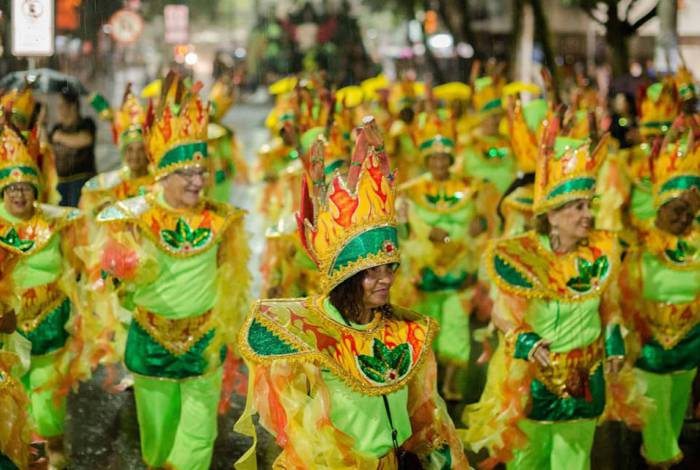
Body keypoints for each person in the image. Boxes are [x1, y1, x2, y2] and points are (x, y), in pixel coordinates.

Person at [234, 117, 468, 469]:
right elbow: (295, 422)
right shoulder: (313, 334)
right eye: (370, 272)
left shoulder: (405, 329)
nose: (385, 280)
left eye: (389, 268)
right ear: (346, 278)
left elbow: (422, 410)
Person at [92, 73, 250, 470]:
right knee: (158, 441)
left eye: (202, 172)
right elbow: (107, 277)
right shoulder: (131, 218)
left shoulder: (223, 220)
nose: (198, 182)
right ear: (163, 175)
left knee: (198, 437)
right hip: (151, 341)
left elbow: (232, 280)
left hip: (205, 341)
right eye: (188, 174)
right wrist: (118, 265)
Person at [473, 117, 628, 470]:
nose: (588, 215)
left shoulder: (601, 253)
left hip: (585, 374)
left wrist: (614, 338)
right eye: (578, 207)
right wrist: (523, 339)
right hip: (533, 380)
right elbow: (501, 314)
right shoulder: (523, 256)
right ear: (552, 216)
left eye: (589, 205)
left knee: (574, 460)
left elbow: (609, 306)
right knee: (528, 460)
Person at [0, 124, 85, 469]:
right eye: (11, 188)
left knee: (47, 389)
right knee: (15, 391)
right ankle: (25, 448)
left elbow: (77, 264)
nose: (19, 194)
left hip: (50, 317)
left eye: (25, 187)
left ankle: (53, 441)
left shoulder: (56, 222)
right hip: (8, 326)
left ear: (35, 189)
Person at [619, 134, 700, 468]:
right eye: (677, 211)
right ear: (660, 207)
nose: (683, 219)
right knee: (656, 413)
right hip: (649, 343)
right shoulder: (639, 243)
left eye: (690, 213)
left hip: (690, 343)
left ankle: (660, 455)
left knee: (674, 411)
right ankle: (660, 459)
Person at [398, 124, 490, 400]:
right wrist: (426, 233)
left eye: (444, 158)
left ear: (451, 159)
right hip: (425, 272)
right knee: (425, 326)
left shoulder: (470, 187)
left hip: (459, 270)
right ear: (426, 161)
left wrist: (479, 226)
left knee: (456, 326)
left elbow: (483, 220)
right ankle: (426, 383)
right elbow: (403, 229)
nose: (439, 163)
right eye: (434, 158)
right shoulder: (411, 191)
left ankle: (450, 383)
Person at [80, 84, 153, 214]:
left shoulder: (159, 184)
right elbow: (88, 208)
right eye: (130, 150)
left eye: (140, 150)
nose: (135, 156)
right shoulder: (109, 184)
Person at [49, 87, 96, 207]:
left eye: (62, 106)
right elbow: (47, 148)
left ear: (73, 106)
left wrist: (60, 137)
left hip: (81, 180)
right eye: (59, 106)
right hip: (60, 182)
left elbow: (85, 140)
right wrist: (42, 124)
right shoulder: (56, 128)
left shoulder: (86, 123)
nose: (59, 110)